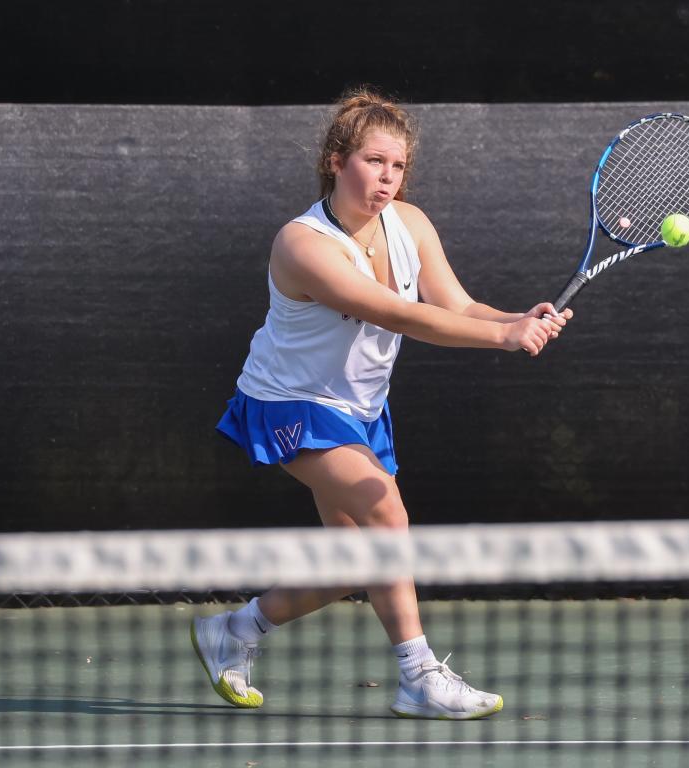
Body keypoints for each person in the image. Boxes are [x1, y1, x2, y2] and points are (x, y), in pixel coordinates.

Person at [192, 86, 573, 720]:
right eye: (373, 161)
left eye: (397, 166)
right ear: (337, 161)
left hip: (360, 409)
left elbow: (457, 306)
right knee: (383, 510)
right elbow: (403, 315)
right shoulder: (302, 245)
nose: (387, 178)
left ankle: (235, 631)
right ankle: (419, 676)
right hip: (290, 402)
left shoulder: (412, 224)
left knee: (360, 561)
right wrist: (503, 339)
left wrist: (517, 316)